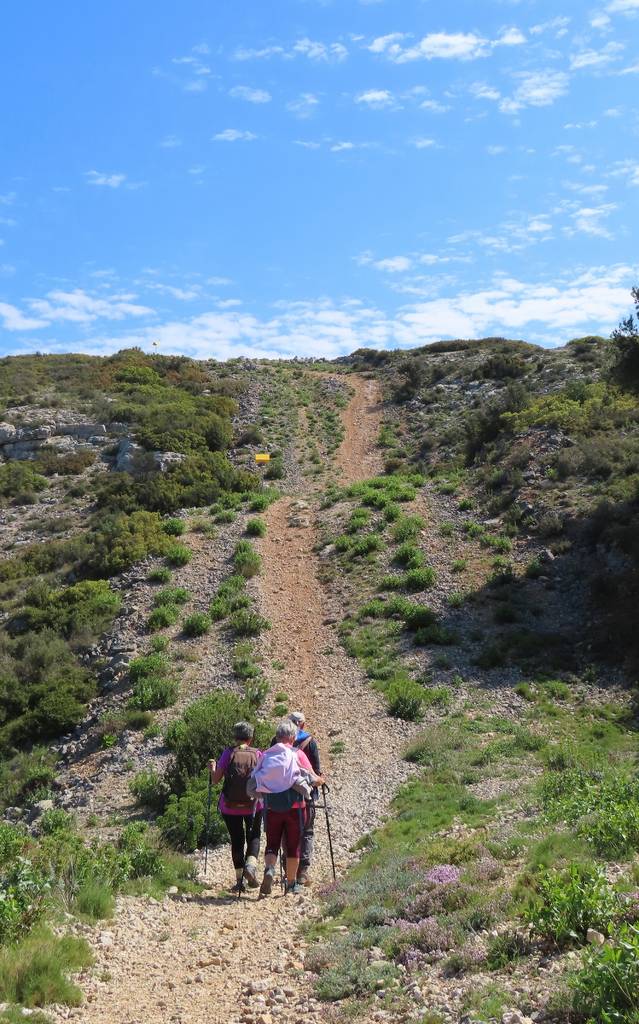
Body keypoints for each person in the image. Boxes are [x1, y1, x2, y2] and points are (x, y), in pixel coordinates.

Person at [252, 719, 323, 896]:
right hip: (295, 808)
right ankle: (291, 884)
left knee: (272, 843)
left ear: (277, 737)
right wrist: (321, 780)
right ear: (293, 737)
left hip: (271, 808)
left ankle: (269, 869)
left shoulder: (266, 755)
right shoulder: (298, 754)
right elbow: (313, 778)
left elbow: (255, 779)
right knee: (293, 846)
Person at [208, 721, 262, 894]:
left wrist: (213, 768)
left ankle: (239, 881)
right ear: (251, 738)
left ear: (235, 737)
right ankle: (251, 866)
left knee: (237, 840)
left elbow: (215, 780)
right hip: (254, 804)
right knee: (253, 836)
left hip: (230, 806)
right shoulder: (258, 754)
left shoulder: (227, 753)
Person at [289, 711, 321, 886]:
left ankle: (289, 869)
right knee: (307, 831)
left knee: (287, 831)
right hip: (306, 793)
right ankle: (303, 871)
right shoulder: (310, 742)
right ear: (302, 724)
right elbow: (316, 769)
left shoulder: (277, 741)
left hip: (284, 794)